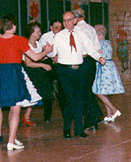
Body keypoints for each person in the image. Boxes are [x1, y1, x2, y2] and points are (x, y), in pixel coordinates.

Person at [0, 14, 53, 150]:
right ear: (14, 26)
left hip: (1, 74)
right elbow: (34, 57)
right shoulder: (20, 40)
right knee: (15, 107)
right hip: (14, 73)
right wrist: (47, 51)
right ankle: (11, 141)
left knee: (11, 106)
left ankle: (12, 137)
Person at [53, 11, 106, 139]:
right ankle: (66, 130)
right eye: (65, 20)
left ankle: (78, 129)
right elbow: (53, 52)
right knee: (70, 100)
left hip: (78, 70)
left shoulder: (81, 34)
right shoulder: (59, 36)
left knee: (79, 100)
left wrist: (99, 57)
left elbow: (90, 48)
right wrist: (50, 53)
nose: (67, 23)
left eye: (69, 20)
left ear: (74, 21)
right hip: (64, 71)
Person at [72, 7, 104, 131]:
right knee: (87, 90)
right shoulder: (91, 28)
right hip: (91, 62)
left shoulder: (77, 29)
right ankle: (95, 115)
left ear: (75, 18)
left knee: (83, 91)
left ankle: (91, 120)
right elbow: (96, 46)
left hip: (83, 60)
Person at [22, 22, 53, 126]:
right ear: (32, 33)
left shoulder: (38, 44)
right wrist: (43, 65)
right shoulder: (26, 44)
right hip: (30, 72)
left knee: (42, 93)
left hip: (38, 71)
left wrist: (48, 53)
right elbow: (29, 63)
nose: (40, 33)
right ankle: (26, 117)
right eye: (38, 32)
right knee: (33, 94)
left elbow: (39, 57)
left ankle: (29, 116)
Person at [92, 24, 125, 122]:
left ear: (99, 35)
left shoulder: (100, 44)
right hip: (109, 67)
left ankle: (114, 110)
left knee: (98, 92)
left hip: (103, 68)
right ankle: (109, 115)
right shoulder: (107, 43)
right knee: (104, 92)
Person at [39, 19, 64, 122]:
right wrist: (51, 56)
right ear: (51, 28)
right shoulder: (45, 37)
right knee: (47, 89)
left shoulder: (64, 35)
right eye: (55, 27)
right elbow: (41, 50)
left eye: (60, 27)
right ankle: (47, 116)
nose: (58, 29)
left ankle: (66, 113)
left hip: (61, 62)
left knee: (63, 89)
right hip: (48, 62)